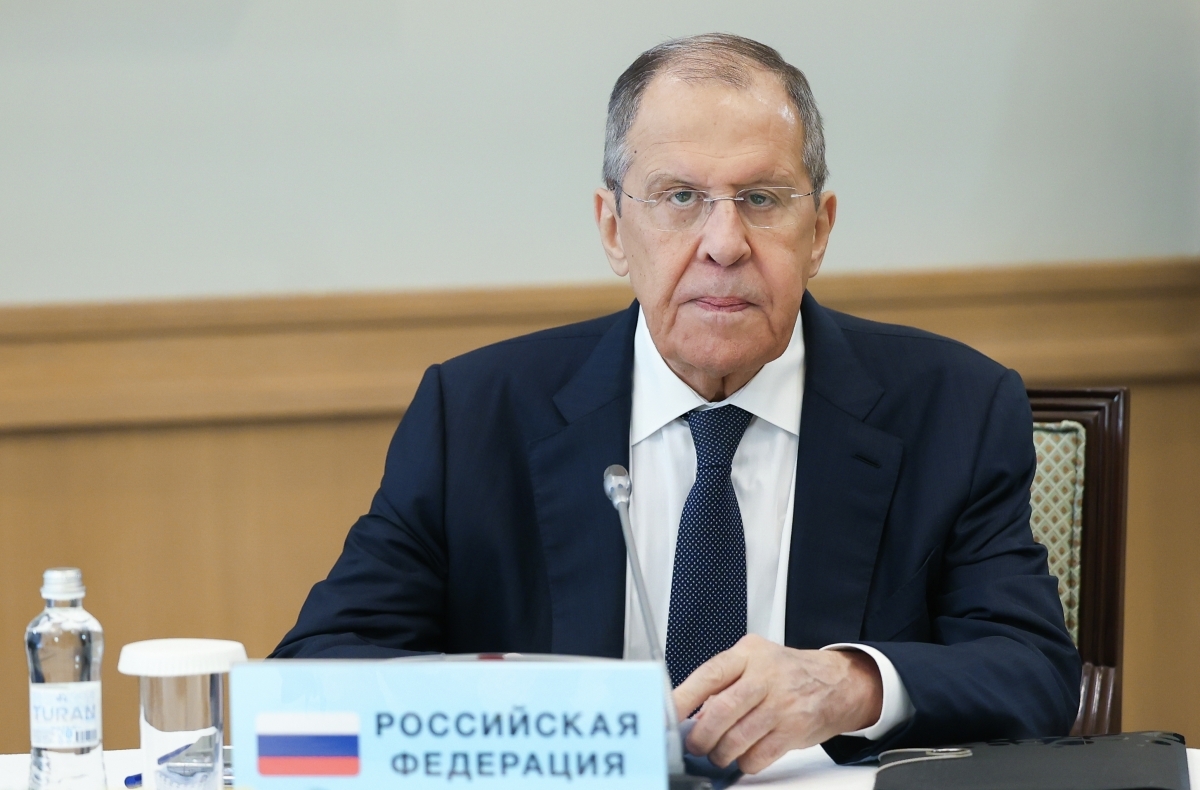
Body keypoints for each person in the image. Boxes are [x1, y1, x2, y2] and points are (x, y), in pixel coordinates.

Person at [272, 33, 1080, 771]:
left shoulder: (955, 408)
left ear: (819, 231)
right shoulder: (475, 416)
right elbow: (316, 676)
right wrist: (546, 728)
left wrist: (848, 685)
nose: (724, 244)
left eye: (762, 198)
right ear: (613, 230)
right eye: (679, 197)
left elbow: (1034, 672)